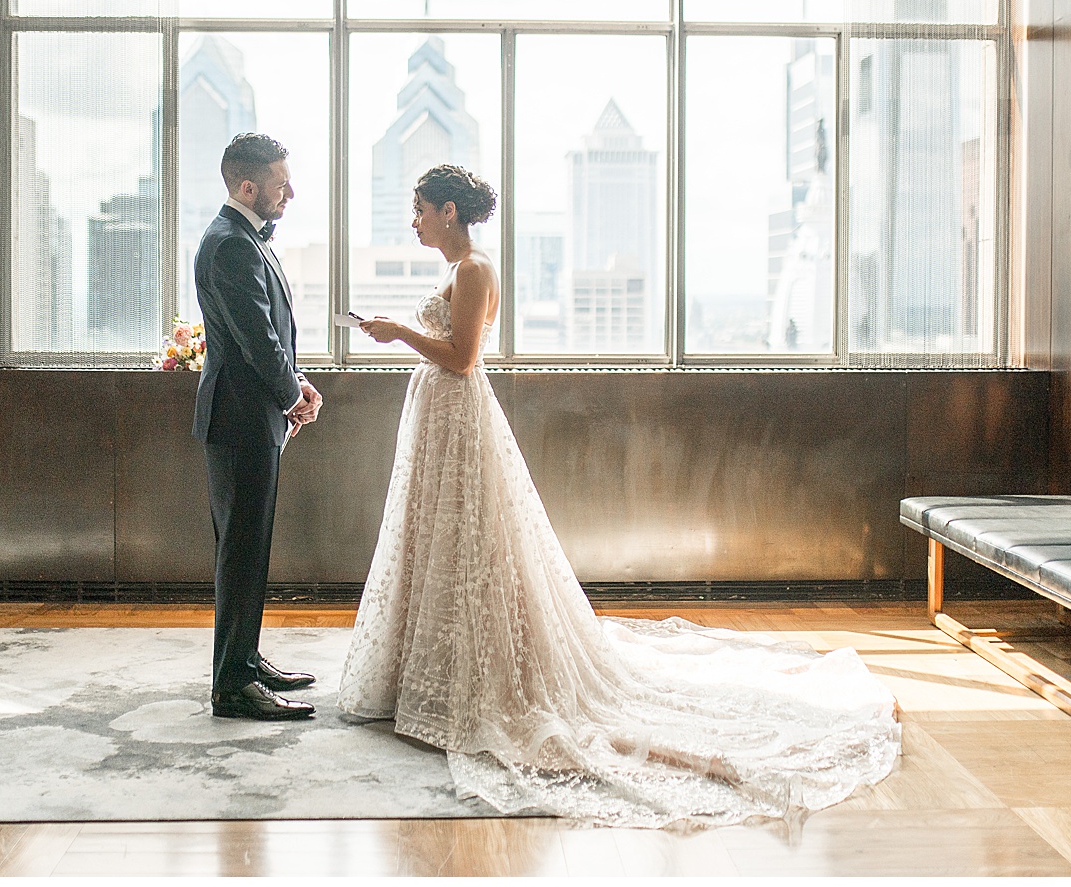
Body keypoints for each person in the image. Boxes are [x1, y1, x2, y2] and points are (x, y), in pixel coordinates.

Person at [338, 164, 900, 828]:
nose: (415, 220)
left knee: (472, 545)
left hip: (458, 412)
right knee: (445, 544)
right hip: (447, 419)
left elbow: (461, 357)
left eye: (421, 208)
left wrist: (396, 331)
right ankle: (433, 668)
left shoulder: (473, 271)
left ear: (451, 212)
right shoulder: (464, 270)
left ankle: (473, 677)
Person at [193, 132, 324, 721]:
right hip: (241, 418)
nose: (290, 192)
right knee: (242, 552)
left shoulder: (242, 238)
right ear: (249, 186)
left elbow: (270, 337)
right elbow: (258, 342)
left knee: (248, 548)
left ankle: (243, 660)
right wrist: (294, 394)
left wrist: (295, 387)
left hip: (253, 416)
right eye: (280, 182)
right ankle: (231, 686)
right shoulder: (230, 245)